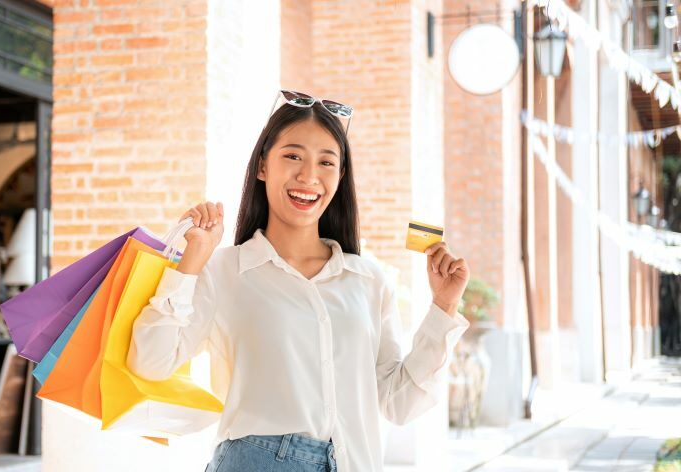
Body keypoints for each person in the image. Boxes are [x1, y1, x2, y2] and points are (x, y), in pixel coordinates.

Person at [127, 90, 471, 472]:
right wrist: (191, 261)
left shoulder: (369, 281)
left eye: (327, 162)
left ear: (340, 177)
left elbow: (400, 402)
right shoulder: (225, 270)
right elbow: (151, 362)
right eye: (292, 156)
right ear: (262, 166)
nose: (309, 176)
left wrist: (444, 307)